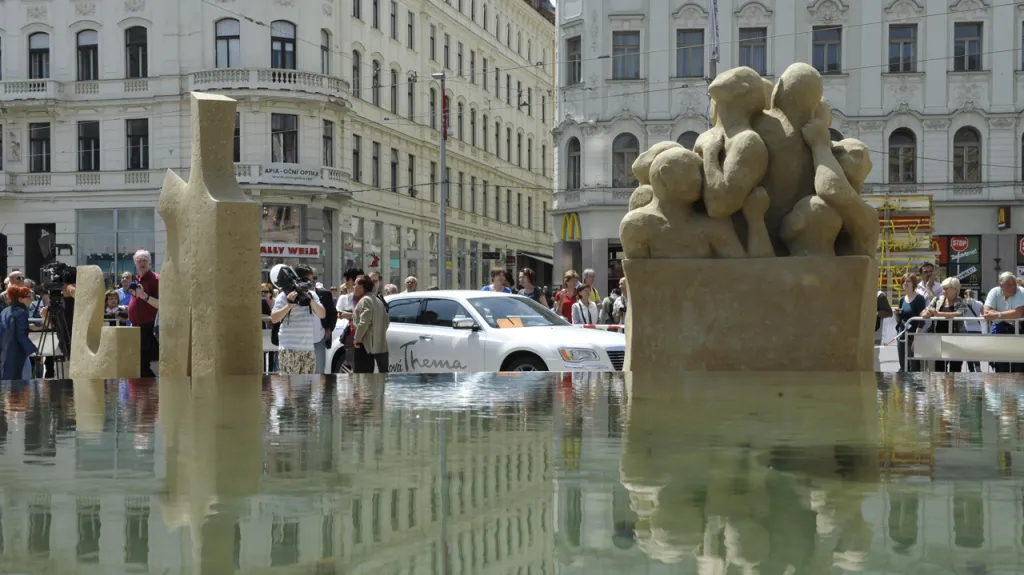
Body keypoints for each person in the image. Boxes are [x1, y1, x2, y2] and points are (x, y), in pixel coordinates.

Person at [270, 265, 326, 375]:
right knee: (290, 385)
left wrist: (310, 301)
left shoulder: (312, 295)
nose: (311, 282)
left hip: (308, 349)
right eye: (308, 279)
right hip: (289, 348)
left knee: (307, 385)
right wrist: (289, 305)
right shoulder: (284, 295)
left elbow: (322, 314)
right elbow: (274, 318)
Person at [922, 277, 968, 373]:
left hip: (956, 341)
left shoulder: (961, 302)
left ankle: (952, 384)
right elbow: (924, 312)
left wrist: (938, 314)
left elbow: (959, 314)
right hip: (939, 340)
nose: (943, 291)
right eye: (943, 288)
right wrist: (927, 313)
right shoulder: (937, 299)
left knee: (955, 369)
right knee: (939, 369)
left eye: (946, 288)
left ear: (955, 289)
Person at [982, 271, 1024, 373]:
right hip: (1000, 335)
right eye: (1009, 284)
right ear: (1001, 285)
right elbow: (986, 312)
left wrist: (998, 315)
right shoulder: (994, 292)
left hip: (1018, 335)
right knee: (1001, 367)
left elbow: (1019, 313)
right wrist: (1010, 315)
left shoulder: (1021, 291)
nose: (1013, 286)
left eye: (1014, 283)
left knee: (1018, 368)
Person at [127, 250, 160, 377]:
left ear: (150, 262)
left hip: (150, 329)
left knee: (147, 367)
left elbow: (163, 305)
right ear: (135, 263)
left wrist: (144, 296)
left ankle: (152, 389)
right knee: (138, 367)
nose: (142, 263)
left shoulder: (156, 279)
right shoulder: (136, 280)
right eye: (139, 260)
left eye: (145, 260)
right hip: (136, 328)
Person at [352, 275, 390, 373]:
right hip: (378, 345)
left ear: (361, 287)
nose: (353, 287)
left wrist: (357, 339)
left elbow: (364, 322)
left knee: (362, 378)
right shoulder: (378, 301)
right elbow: (386, 321)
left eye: (355, 284)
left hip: (364, 346)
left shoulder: (365, 300)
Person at [0, 286, 37, 380]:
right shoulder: (21, 312)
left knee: (5, 380)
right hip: (16, 351)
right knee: (16, 382)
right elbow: (21, 335)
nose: (31, 299)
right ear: (20, 299)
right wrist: (33, 349)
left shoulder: (4, 311)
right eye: (28, 296)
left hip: (4, 350)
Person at [894, 274, 928, 373]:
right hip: (902, 335)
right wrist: (896, 314)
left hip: (913, 336)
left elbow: (921, 320)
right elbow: (899, 320)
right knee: (903, 365)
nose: (905, 283)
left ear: (913, 284)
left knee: (913, 366)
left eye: (908, 281)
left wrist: (916, 339)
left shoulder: (919, 298)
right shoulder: (902, 300)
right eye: (904, 281)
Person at [312, 271, 338, 374]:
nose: (313, 281)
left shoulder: (325, 294)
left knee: (319, 370)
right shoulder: (298, 295)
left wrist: (329, 329)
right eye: (310, 278)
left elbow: (333, 313)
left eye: (315, 278)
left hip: (320, 337)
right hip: (303, 339)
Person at [962, 289, 985, 372]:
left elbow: (959, 315)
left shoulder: (963, 304)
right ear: (974, 295)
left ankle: (971, 369)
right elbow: (984, 314)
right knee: (975, 350)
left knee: (968, 351)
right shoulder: (980, 303)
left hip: (967, 329)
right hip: (977, 329)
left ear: (964, 295)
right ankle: (978, 367)